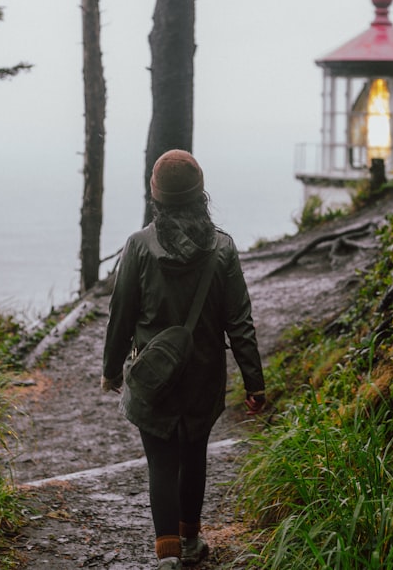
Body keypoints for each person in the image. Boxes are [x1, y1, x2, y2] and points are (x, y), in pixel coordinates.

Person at [101, 149, 266, 569]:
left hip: (153, 380)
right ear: (200, 194)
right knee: (194, 456)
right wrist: (254, 382)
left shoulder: (138, 247)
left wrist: (111, 370)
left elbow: (120, 315)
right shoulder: (222, 249)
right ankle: (190, 543)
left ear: (155, 196)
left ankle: (167, 555)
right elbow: (239, 321)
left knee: (160, 460)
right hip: (203, 379)